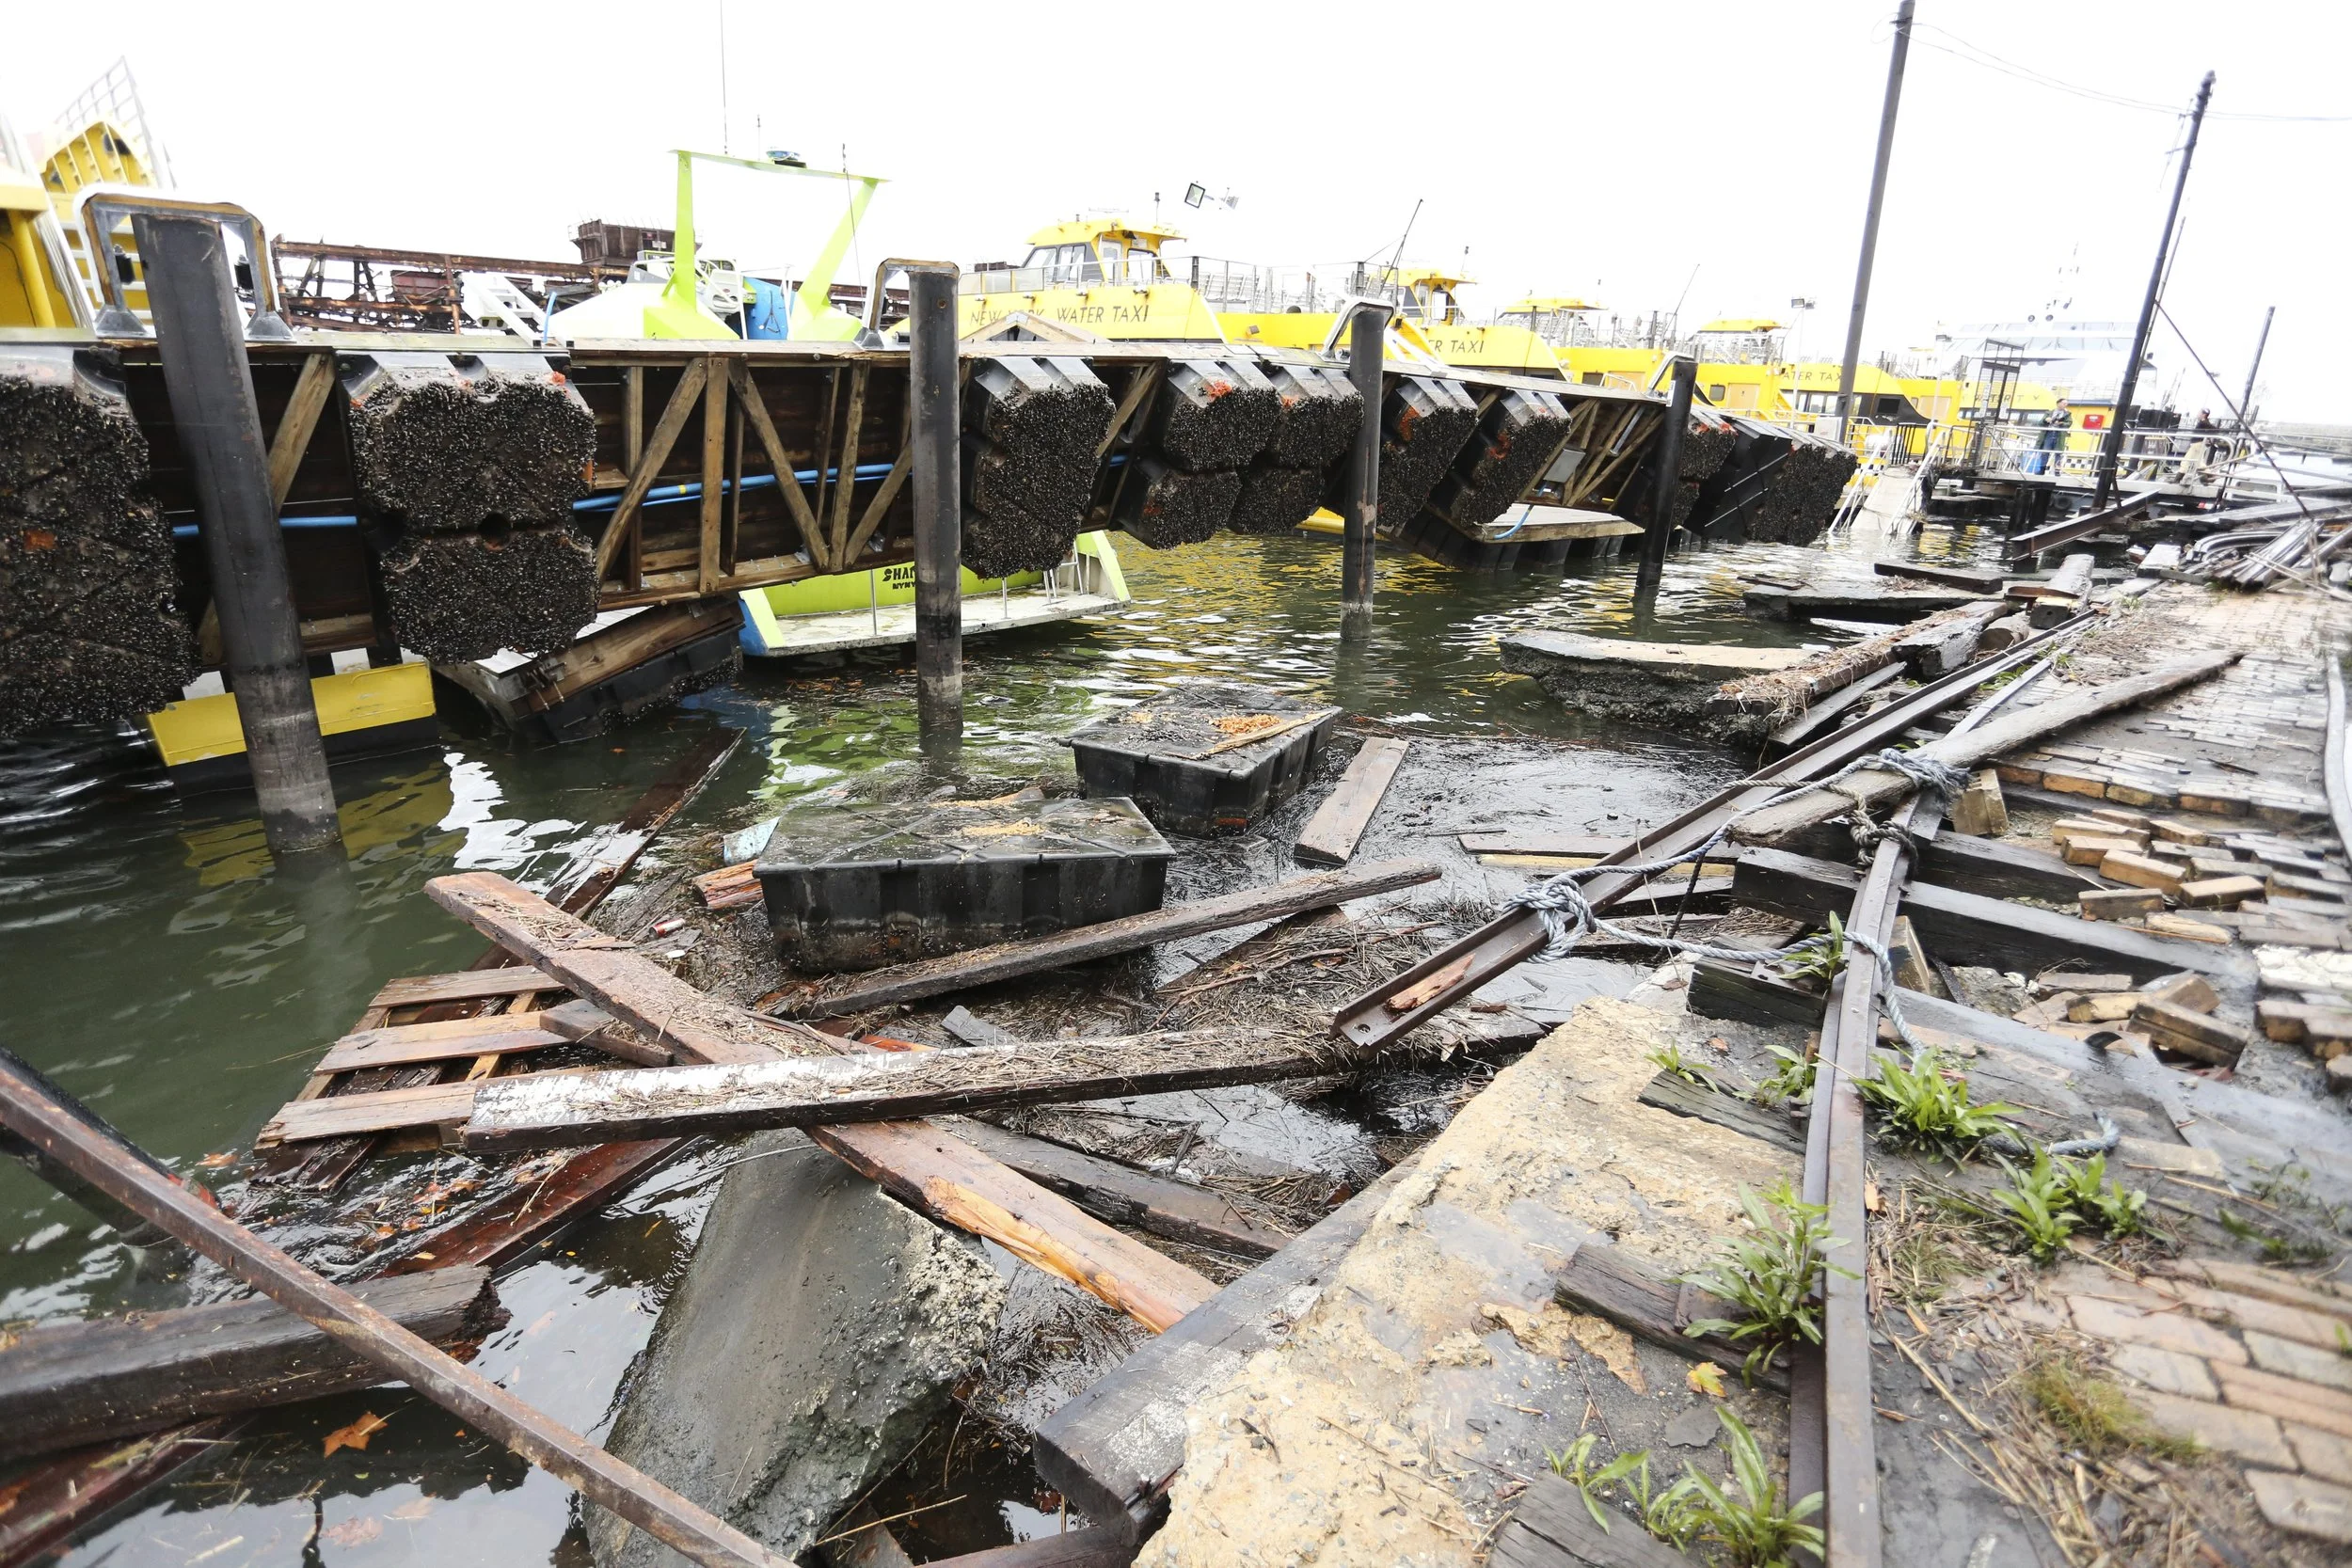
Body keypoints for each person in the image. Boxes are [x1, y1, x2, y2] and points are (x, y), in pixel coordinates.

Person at [2032, 398, 2071, 475]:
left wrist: (2061, 423)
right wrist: (2046, 420)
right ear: (2058, 403)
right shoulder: (2049, 413)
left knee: (2058, 453)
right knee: (2045, 452)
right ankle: (2042, 469)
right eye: (2064, 403)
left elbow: (2069, 423)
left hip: (2059, 434)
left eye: (2066, 403)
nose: (2065, 405)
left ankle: (2057, 471)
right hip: (2048, 433)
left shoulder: (2067, 414)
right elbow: (2040, 423)